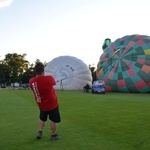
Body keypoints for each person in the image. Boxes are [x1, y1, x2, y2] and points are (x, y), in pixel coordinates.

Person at [29, 62, 61, 141]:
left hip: (41, 104)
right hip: (52, 104)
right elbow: (54, 82)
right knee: (53, 120)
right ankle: (54, 135)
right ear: (43, 70)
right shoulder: (49, 78)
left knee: (42, 118)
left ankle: (40, 131)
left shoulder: (31, 81)